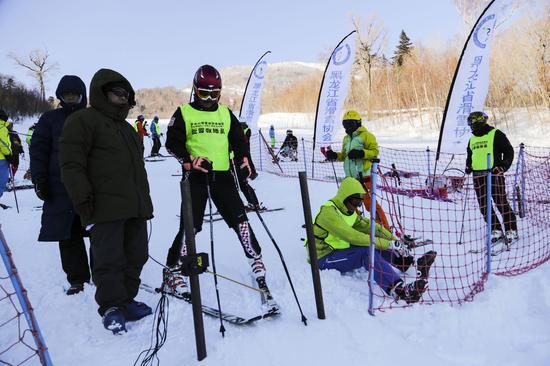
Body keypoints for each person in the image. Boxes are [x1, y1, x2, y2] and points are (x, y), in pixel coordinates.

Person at [162, 64, 277, 310]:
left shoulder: (225, 113)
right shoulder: (184, 112)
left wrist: (244, 157)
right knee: (190, 226)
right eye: (204, 94)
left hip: (223, 177)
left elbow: (238, 138)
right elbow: (171, 142)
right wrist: (189, 160)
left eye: (214, 94)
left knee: (241, 220)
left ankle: (255, 258)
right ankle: (173, 270)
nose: (209, 99)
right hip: (196, 178)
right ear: (195, 91)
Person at [59, 68, 154, 334]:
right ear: (102, 92)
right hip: (103, 206)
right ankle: (111, 307)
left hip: (135, 205)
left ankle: (126, 300)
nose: (122, 98)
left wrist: (144, 201)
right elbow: (71, 164)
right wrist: (82, 199)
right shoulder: (83, 120)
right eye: (117, 93)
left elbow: (136, 169)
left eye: (126, 94)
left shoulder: (127, 129)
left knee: (137, 255)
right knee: (109, 259)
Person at [309, 177, 437, 304]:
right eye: (354, 201)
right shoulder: (329, 213)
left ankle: (412, 266)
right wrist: (388, 243)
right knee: (366, 251)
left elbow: (371, 227)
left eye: (359, 203)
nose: (356, 206)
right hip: (322, 257)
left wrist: (394, 241)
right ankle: (400, 291)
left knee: (376, 245)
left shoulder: (348, 212)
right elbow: (352, 236)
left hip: (340, 251)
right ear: (344, 197)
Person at [30, 75, 92, 296]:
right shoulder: (50, 119)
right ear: (60, 97)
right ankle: (77, 278)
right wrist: (39, 179)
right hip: (60, 188)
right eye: (67, 96)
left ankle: (104, 274)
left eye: (75, 95)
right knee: (69, 235)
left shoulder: (91, 117)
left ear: (82, 96)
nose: (71, 99)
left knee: (100, 233)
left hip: (91, 186)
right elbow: (38, 150)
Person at [325, 110, 391, 232]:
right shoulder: (346, 139)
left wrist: (362, 153)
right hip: (351, 179)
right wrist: (334, 155)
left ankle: (384, 229)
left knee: (370, 205)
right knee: (349, 204)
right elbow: (345, 155)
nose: (347, 127)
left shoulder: (366, 136)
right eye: (345, 124)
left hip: (364, 177)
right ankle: (359, 227)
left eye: (350, 124)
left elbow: (375, 152)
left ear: (358, 123)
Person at [465, 111, 518, 248]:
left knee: (501, 202)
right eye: (470, 123)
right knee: (484, 205)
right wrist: (468, 165)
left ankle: (511, 230)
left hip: (494, 174)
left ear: (480, 122)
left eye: (473, 123)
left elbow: (509, 151)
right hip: (478, 176)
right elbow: (470, 155)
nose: (471, 126)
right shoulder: (472, 139)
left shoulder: (496, 134)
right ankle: (496, 230)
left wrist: (502, 167)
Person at [234, 118, 260, 210]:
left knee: (242, 183)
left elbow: (243, 147)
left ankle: (254, 203)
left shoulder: (243, 131)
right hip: (234, 160)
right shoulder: (238, 131)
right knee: (237, 184)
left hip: (241, 160)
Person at [0, 109, 13, 201]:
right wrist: (9, 155)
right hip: (1, 158)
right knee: (2, 181)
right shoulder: (2, 128)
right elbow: (3, 144)